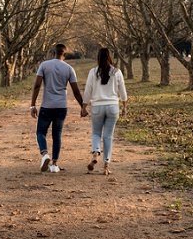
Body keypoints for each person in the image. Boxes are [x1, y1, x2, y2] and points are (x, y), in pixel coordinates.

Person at [30, 43, 84, 173]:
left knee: (41, 132)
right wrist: (83, 106)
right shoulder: (69, 68)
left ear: (53, 53)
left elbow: (37, 85)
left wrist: (33, 104)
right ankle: (54, 165)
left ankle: (45, 154)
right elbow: (76, 91)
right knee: (57, 134)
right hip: (61, 107)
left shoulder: (44, 65)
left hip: (47, 106)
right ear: (64, 54)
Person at [82, 47, 128, 176]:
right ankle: (106, 166)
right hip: (113, 107)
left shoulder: (93, 72)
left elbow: (88, 90)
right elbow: (122, 90)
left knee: (96, 133)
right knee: (108, 136)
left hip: (97, 107)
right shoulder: (116, 72)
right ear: (110, 57)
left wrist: (84, 106)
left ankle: (96, 153)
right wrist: (124, 106)